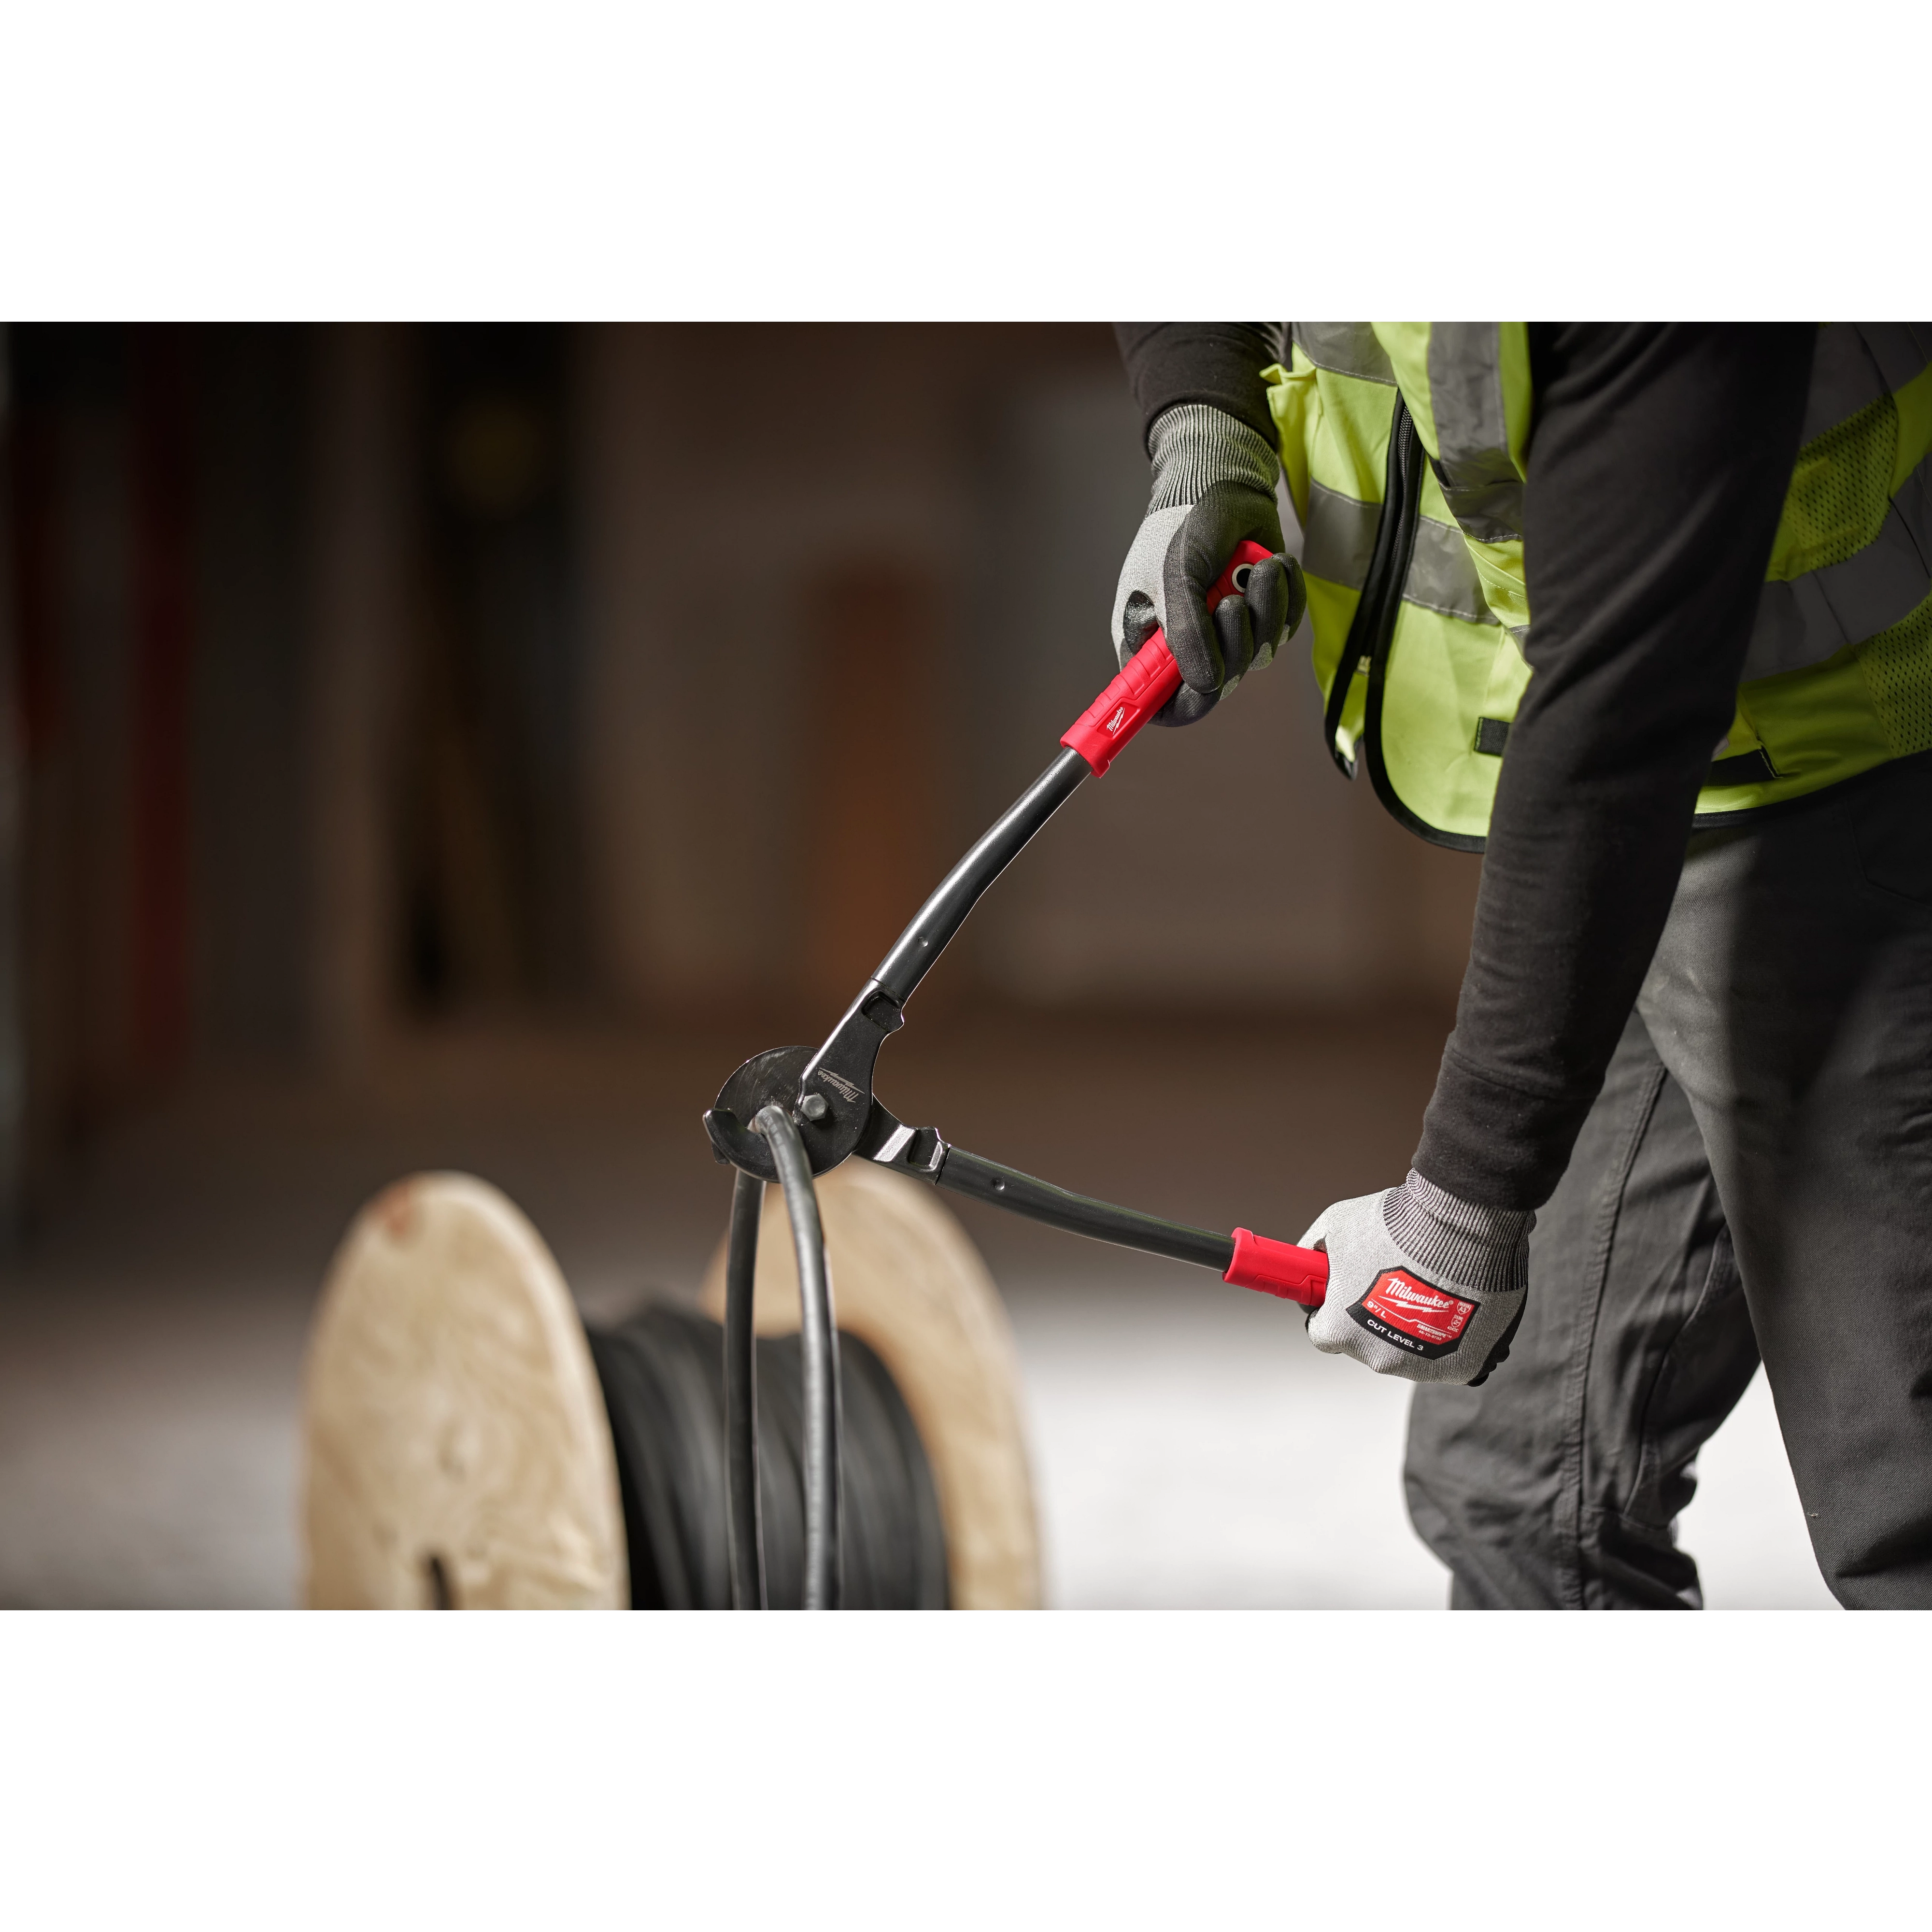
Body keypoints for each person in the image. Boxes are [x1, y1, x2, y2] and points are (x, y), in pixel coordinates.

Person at [1110, 321, 1932, 1609]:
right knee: (1526, 1497)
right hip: (1639, 835)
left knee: (1909, 1517)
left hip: (1862, 780)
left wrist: (1459, 1207)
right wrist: (1200, 427)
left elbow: (1624, 705)